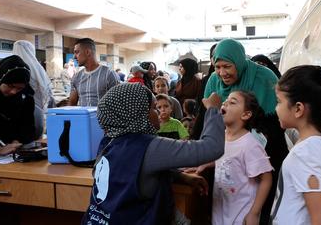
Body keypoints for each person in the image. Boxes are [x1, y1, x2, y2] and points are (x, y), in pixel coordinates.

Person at [82, 83, 225, 225]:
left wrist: (180, 176)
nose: (157, 113)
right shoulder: (148, 145)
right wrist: (213, 109)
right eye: (153, 108)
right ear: (138, 114)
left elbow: (132, 173)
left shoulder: (108, 142)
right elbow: (212, 148)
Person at [204, 38, 288, 224]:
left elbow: (275, 125)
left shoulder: (264, 78)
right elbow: (206, 120)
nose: (222, 73)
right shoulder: (213, 82)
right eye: (217, 67)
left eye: (227, 66)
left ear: (239, 62)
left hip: (264, 152)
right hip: (228, 156)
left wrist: (247, 140)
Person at [197, 91, 273, 224]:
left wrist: (254, 213)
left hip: (241, 215)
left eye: (232, 102)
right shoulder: (222, 136)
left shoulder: (250, 144)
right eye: (225, 101)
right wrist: (208, 163)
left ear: (246, 114)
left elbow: (266, 178)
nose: (225, 102)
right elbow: (229, 158)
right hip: (221, 211)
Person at [270, 65, 321, 224]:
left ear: (298, 108)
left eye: (279, 101)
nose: (275, 108)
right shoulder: (320, 144)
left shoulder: (306, 153)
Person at [0, 55, 35, 157]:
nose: (14, 92)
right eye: (11, 86)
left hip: (10, 154)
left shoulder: (26, 96)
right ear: (1, 79)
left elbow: (28, 125)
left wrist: (17, 141)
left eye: (19, 88)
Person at [13, 40, 54, 139]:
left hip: (17, 113)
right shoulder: (37, 69)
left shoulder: (13, 69)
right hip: (37, 112)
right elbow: (47, 93)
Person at [69, 38, 119, 106]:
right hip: (83, 116)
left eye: (77, 52)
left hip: (104, 116)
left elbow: (118, 102)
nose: (74, 56)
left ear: (88, 52)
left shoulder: (109, 74)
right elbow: (71, 104)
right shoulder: (76, 77)